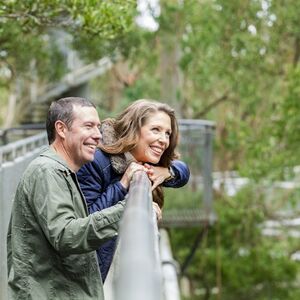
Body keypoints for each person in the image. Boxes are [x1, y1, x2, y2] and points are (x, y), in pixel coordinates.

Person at [7, 97, 126, 300]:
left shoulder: (62, 171)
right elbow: (66, 235)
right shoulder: (47, 172)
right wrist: (126, 210)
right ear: (61, 129)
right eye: (88, 126)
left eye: (98, 127)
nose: (97, 136)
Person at [77, 99, 190, 281]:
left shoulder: (145, 158)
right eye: (156, 130)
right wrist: (122, 184)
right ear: (134, 129)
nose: (163, 140)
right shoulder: (96, 160)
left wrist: (168, 172)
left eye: (167, 133)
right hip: (81, 272)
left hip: (109, 266)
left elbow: (184, 172)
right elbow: (85, 222)